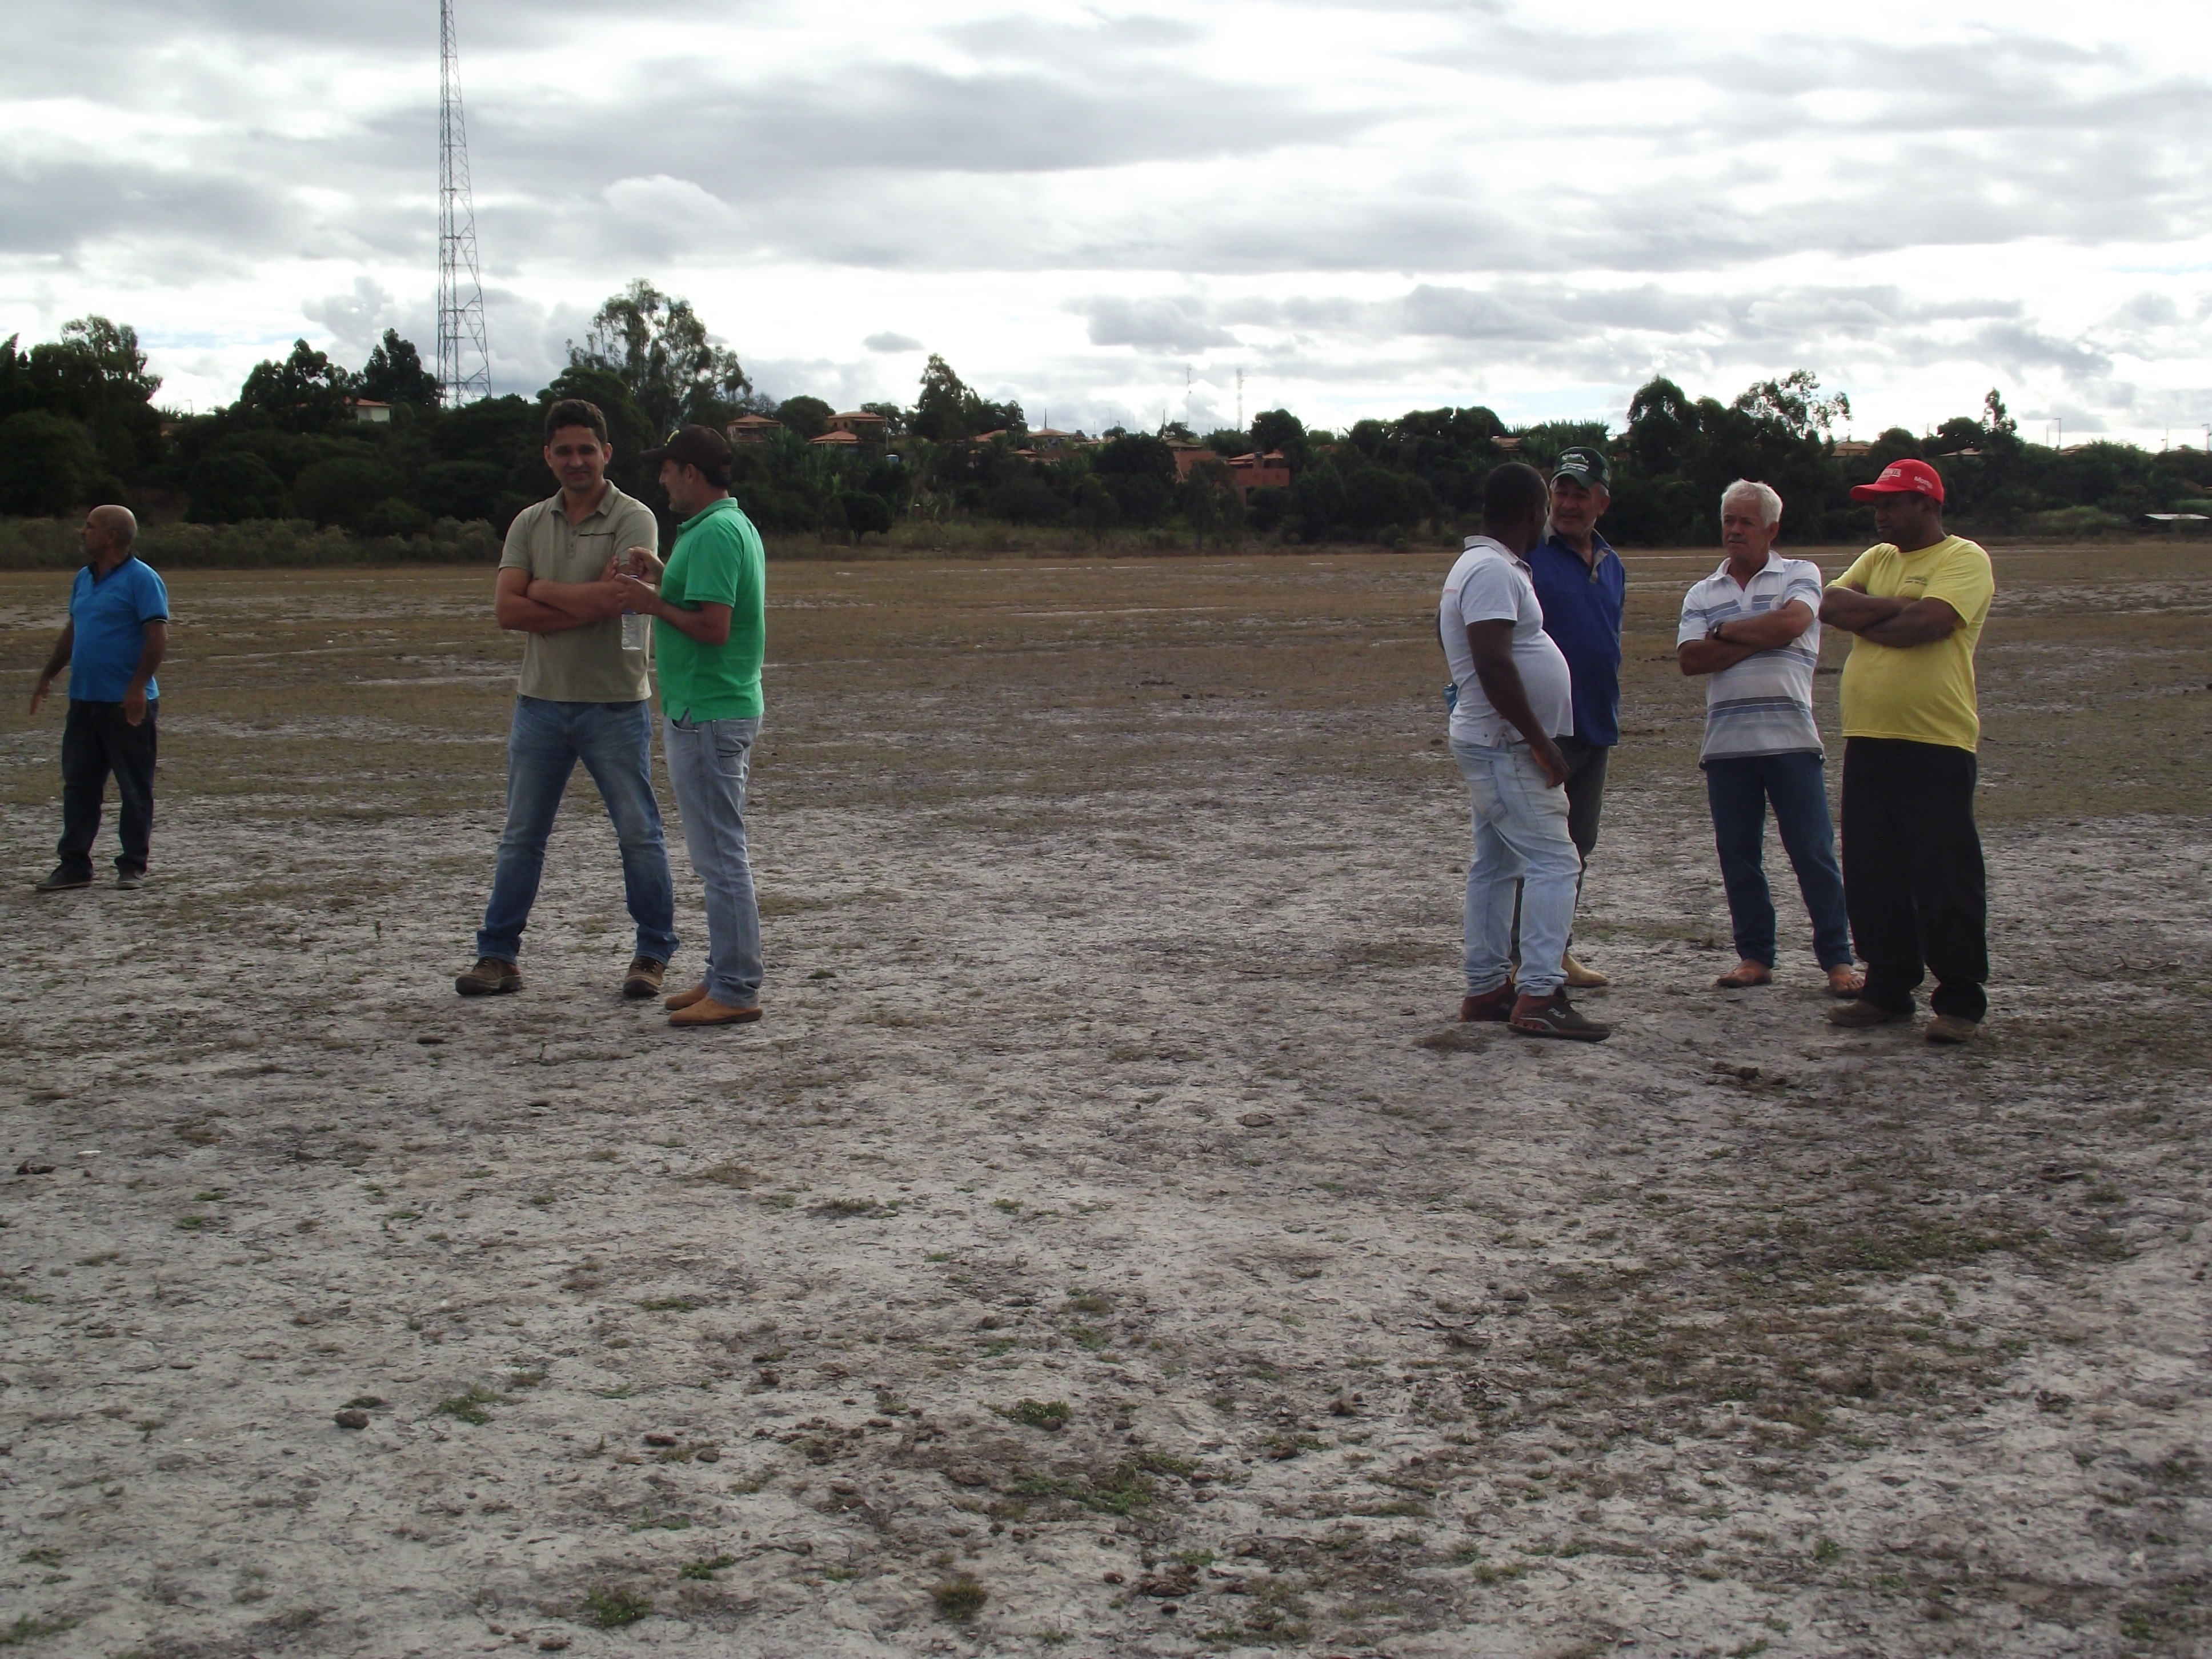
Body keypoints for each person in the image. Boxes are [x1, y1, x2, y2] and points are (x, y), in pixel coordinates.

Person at [454, 399, 678, 1000]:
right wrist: (575, 597)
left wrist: (543, 593)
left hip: (613, 704)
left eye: (587, 449)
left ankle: (652, 954)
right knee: (521, 835)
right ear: (548, 456)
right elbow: (506, 611)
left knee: (638, 833)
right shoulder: (529, 522)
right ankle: (497, 955)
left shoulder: (634, 518)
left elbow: (619, 602)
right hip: (540, 704)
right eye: (564, 451)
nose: (576, 461)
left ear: (606, 454)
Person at [1818, 458, 1995, 1044]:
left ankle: (1960, 999)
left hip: (1934, 741)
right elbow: (1830, 605)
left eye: (1892, 502)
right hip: (1868, 737)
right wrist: (1894, 611)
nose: (1880, 513)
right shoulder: (1879, 559)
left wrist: (1878, 617)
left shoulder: (1962, 559)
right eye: (1876, 502)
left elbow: (1930, 623)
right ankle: (1888, 988)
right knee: (1873, 872)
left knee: (1943, 874)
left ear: (1928, 504)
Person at [1441, 462, 1610, 1041]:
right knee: (1555, 860)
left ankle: (1487, 986)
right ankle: (1538, 992)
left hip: (1490, 740)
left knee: (1497, 864)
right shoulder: (1490, 570)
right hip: (1504, 744)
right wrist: (1538, 741)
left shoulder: (1486, 566)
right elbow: (1491, 661)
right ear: (1532, 512)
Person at [1676, 480, 1862, 996]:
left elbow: (1796, 622)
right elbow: (1691, 660)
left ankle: (1838, 961)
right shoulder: (1701, 592)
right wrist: (1761, 633)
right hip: (1727, 746)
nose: (1734, 531)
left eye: (1746, 522)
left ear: (1772, 530)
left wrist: (1725, 632)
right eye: (1728, 521)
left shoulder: (1800, 574)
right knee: (1739, 856)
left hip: (1792, 741)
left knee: (1813, 853)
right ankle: (1755, 956)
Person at [616, 425, 770, 1029]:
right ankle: (721, 972)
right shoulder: (726, 527)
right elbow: (704, 603)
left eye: (668, 469)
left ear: (690, 473)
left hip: (706, 712)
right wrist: (662, 576)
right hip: (715, 708)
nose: (661, 480)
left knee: (719, 858)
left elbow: (712, 627)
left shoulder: (711, 534)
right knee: (717, 854)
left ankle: (734, 986)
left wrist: (651, 602)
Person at [1524, 444, 1624, 988]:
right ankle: (1523, 959)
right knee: (1539, 849)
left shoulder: (1613, 565)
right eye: (1559, 491)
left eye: (1578, 493)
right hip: (1547, 730)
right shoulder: (1530, 559)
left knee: (1577, 846)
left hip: (1595, 724)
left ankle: (1557, 951)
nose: (1566, 502)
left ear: (1601, 503)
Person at [28, 505, 167, 892]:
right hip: (85, 701)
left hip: (125, 703)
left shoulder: (143, 579)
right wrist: (48, 674)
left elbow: (157, 637)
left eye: (89, 526)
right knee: (80, 785)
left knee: (133, 786)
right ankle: (74, 866)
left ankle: (132, 865)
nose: (81, 531)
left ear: (109, 536)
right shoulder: (83, 580)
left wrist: (138, 687)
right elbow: (75, 630)